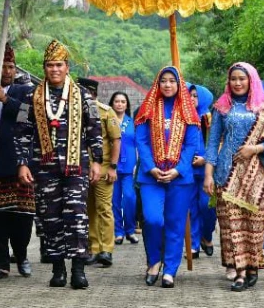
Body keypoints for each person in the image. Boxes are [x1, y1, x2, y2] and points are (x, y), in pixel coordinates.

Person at [15, 40, 103, 289]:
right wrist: (22, 164)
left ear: (67, 68)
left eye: (59, 65)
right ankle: (57, 269)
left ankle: (78, 269)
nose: (54, 69)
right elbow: (21, 131)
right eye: (50, 65)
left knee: (76, 215)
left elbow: (94, 129)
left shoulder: (84, 96)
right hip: (44, 167)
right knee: (49, 218)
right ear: (44, 68)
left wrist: (98, 161)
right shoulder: (31, 96)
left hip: (76, 166)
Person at [204, 62, 264, 292]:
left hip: (256, 174)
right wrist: (208, 174)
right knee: (231, 225)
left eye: (242, 78)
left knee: (255, 224)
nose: (237, 83)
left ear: (251, 80)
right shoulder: (222, 107)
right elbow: (212, 143)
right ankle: (239, 272)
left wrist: (254, 149)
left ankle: (252, 267)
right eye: (233, 79)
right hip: (226, 175)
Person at [135, 66, 200, 288]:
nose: (168, 85)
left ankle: (170, 270)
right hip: (151, 176)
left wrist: (178, 169)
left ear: (179, 84)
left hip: (180, 177)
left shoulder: (188, 110)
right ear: (158, 83)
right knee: (153, 219)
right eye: (164, 81)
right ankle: (154, 261)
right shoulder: (148, 108)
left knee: (175, 223)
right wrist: (151, 167)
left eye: (173, 81)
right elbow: (141, 140)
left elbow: (191, 144)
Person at [0, 44, 34, 280]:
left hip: (20, 162)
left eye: (11, 66)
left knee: (23, 217)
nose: (7, 70)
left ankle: (21, 255)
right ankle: (0, 262)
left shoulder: (25, 92)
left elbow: (29, 117)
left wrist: (6, 100)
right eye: (3, 66)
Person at [78, 78, 121, 268]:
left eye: (88, 92)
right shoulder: (75, 110)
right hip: (81, 167)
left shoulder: (105, 111)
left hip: (102, 166)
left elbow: (116, 140)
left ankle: (107, 249)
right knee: (88, 209)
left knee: (104, 208)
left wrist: (113, 166)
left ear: (93, 93)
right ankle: (93, 248)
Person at [186, 83, 215, 258]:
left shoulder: (210, 118)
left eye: (196, 96)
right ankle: (194, 244)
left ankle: (207, 235)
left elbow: (217, 143)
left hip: (207, 170)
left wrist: (206, 159)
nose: (192, 99)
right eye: (190, 95)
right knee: (191, 208)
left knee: (207, 206)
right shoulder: (183, 117)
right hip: (188, 169)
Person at [108, 91, 138, 246]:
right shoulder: (108, 120)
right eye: (117, 101)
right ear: (112, 103)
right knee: (114, 201)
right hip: (112, 167)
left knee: (129, 198)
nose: (119, 104)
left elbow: (139, 145)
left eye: (122, 101)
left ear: (127, 105)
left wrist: (138, 165)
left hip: (129, 167)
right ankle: (118, 232)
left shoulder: (133, 123)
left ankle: (130, 230)